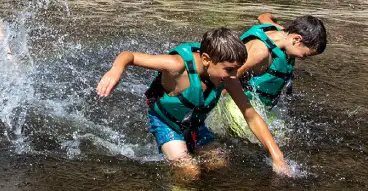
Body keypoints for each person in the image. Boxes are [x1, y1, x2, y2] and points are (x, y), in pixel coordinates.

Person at [97, 28, 293, 180]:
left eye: (236, 70)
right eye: (229, 69)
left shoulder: (228, 78)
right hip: (167, 123)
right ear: (207, 59)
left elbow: (250, 114)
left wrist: (277, 157)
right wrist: (115, 71)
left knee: (220, 164)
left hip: (194, 124)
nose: (235, 76)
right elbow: (129, 56)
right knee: (190, 173)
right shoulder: (177, 65)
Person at [208, 14, 327, 142]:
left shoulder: (282, 32)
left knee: (284, 138)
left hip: (263, 104)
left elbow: (263, 17)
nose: (303, 58)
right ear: (297, 39)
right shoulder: (260, 53)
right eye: (305, 55)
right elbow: (228, 79)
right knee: (254, 141)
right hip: (237, 102)